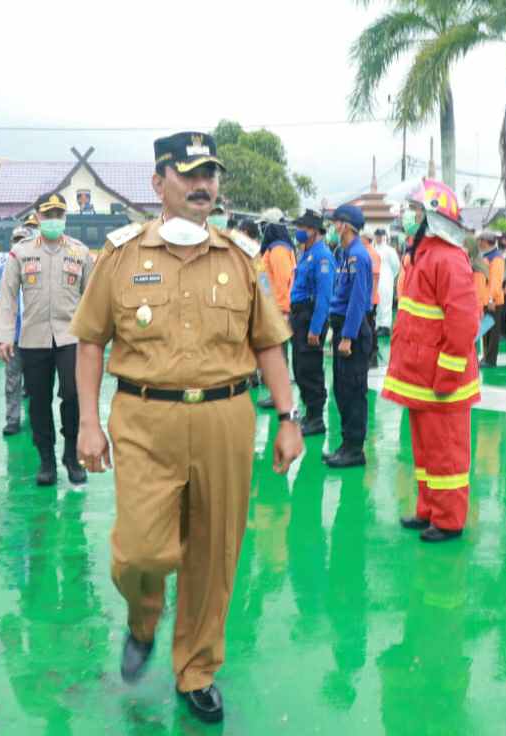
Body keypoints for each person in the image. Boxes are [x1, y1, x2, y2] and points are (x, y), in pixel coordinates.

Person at [70, 131, 303, 724]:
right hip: (145, 419)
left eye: (211, 174)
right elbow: (92, 341)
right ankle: (144, 617)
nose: (204, 185)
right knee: (141, 549)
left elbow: (268, 343)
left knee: (215, 553)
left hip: (227, 417)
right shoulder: (120, 257)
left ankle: (196, 668)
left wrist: (287, 417)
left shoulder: (241, 258)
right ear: (159, 183)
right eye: (190, 174)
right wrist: (88, 423)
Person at [382, 179, 481, 542]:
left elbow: (463, 324)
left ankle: (449, 520)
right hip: (421, 379)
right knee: (425, 452)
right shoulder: (425, 255)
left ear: (434, 219)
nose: (411, 217)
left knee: (447, 455)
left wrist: (448, 374)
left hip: (442, 382)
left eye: (419, 212)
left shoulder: (448, 259)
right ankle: (428, 510)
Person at [0, 193, 92, 486]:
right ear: (37, 217)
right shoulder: (21, 253)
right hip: (33, 338)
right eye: (48, 215)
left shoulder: (80, 252)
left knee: (73, 395)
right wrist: (4, 337)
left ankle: (71, 456)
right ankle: (46, 460)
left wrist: (95, 338)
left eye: (59, 215)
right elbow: (8, 297)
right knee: (38, 401)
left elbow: (92, 297)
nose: (53, 221)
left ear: (65, 218)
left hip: (70, 336)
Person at [323, 204, 374, 468]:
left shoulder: (358, 256)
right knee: (342, 390)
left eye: (336, 223)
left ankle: (355, 449)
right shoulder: (345, 254)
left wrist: (348, 336)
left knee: (353, 391)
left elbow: (358, 299)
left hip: (352, 330)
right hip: (343, 326)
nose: (333, 228)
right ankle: (346, 444)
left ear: (346, 226)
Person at [288, 209, 335, 436]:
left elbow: (324, 296)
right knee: (299, 366)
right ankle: (309, 413)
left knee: (310, 368)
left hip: (311, 315)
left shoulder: (322, 256)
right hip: (299, 315)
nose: (299, 232)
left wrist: (316, 328)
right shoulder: (306, 253)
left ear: (314, 231)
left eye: (303, 228)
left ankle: (316, 418)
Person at [0, 225, 31, 436]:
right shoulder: (4, 266)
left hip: (35, 334)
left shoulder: (37, 264)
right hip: (12, 334)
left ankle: (37, 417)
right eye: (16, 239)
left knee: (37, 381)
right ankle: (12, 420)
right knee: (12, 379)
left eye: (24, 239)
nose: (19, 243)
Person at [256, 222, 296, 409]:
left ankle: (279, 396)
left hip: (278, 309)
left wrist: (283, 310)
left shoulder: (278, 250)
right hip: (273, 307)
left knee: (278, 353)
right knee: (278, 352)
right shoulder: (274, 250)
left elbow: (283, 281)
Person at [478, 231, 506, 367]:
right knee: (486, 330)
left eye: (480, 240)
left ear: (485, 241)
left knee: (493, 332)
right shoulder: (488, 256)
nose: (478, 243)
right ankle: (486, 357)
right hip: (485, 299)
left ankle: (490, 359)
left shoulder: (496, 258)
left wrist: (491, 300)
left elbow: (495, 281)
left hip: (493, 301)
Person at [375, 228, 402, 337]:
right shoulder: (373, 249)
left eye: (381, 235)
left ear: (384, 236)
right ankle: (377, 325)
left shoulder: (390, 250)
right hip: (375, 280)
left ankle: (385, 326)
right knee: (376, 303)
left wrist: (390, 276)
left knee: (385, 302)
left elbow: (396, 266)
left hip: (386, 280)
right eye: (377, 235)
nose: (379, 238)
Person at [363, 233, 382, 367]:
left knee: (369, 326)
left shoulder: (372, 253)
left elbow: (375, 277)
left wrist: (371, 298)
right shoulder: (364, 252)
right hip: (365, 298)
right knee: (367, 326)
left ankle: (372, 354)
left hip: (370, 299)